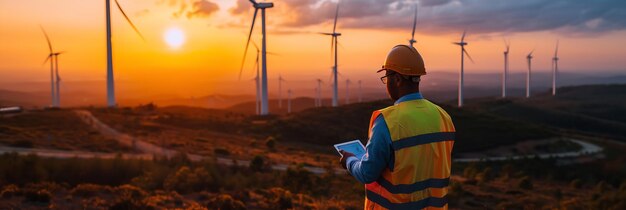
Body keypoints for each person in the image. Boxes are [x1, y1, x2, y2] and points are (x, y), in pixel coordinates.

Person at [339, 45, 455, 209]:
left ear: (398, 79)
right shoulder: (443, 116)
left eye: (387, 77)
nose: (386, 83)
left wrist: (350, 160)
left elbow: (367, 173)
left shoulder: (387, 121)